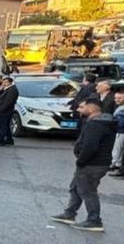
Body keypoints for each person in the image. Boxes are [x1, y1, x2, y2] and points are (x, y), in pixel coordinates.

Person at [50, 98, 116, 231]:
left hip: (92, 164)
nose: (78, 110)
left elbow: (90, 146)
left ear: (91, 109)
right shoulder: (96, 122)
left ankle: (94, 220)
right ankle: (69, 213)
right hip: (91, 163)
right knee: (75, 187)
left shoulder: (96, 125)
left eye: (81, 107)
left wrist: (81, 160)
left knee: (87, 191)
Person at [0, 76, 19, 146]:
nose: (4, 83)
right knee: (5, 126)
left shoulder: (12, 90)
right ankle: (9, 139)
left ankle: (0, 140)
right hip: (3, 110)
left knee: (2, 126)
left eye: (6, 82)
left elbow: (8, 102)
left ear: (10, 82)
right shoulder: (8, 88)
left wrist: (1, 109)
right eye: (3, 82)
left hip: (5, 111)